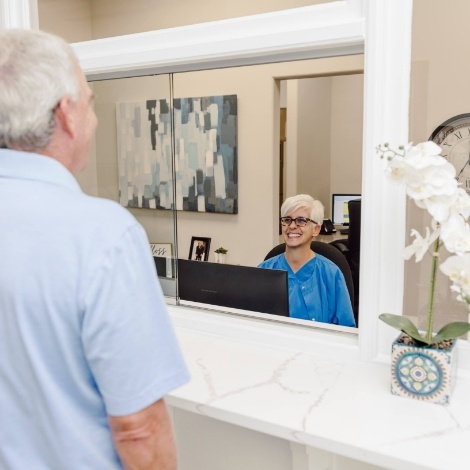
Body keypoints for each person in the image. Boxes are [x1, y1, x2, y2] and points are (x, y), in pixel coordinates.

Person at [0, 29, 189, 469]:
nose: (94, 118)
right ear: (66, 114)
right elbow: (139, 428)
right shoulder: (103, 234)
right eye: (90, 101)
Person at [258, 194, 355, 327]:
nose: (292, 226)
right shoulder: (264, 270)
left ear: (316, 229)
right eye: (287, 220)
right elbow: (254, 322)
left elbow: (346, 330)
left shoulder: (331, 274)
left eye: (301, 220)